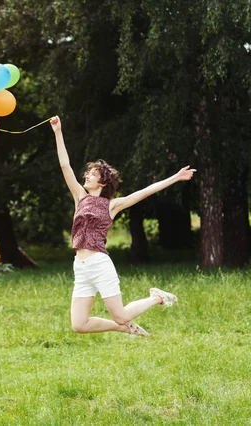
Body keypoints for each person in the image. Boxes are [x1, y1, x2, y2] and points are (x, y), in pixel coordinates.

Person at [50, 115, 195, 337]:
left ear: (104, 182)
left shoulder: (112, 205)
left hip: (99, 264)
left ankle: (156, 298)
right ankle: (123, 328)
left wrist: (175, 178)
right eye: (87, 173)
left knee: (121, 314)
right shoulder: (80, 196)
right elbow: (64, 165)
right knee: (79, 324)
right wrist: (58, 132)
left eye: (93, 174)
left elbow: (145, 191)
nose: (86, 176)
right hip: (80, 266)